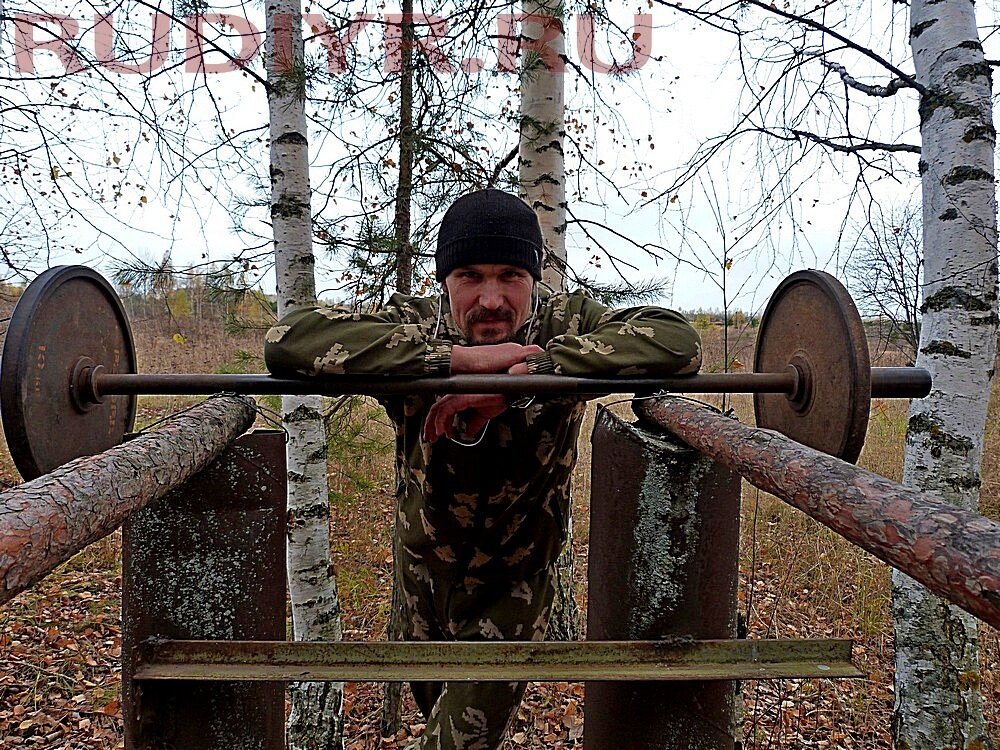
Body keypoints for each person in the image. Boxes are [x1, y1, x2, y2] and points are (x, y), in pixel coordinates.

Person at [264, 188, 702, 749]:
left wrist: (530, 373)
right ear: (444, 280)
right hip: (420, 585)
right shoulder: (416, 325)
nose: (491, 299)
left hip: (511, 590)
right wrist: (454, 362)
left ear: (535, 280)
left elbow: (678, 342)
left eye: (511, 276)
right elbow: (288, 342)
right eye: (470, 276)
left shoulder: (567, 321)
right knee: (438, 724)